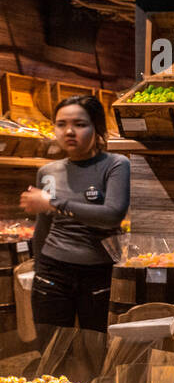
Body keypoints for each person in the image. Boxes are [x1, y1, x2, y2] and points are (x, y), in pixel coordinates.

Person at [19, 95, 130, 345]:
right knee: (51, 349)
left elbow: (112, 214)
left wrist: (54, 204)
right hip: (52, 272)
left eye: (80, 124)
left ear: (97, 127)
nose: (69, 131)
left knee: (97, 350)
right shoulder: (47, 172)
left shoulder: (115, 165)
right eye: (61, 124)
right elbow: (44, 226)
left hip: (99, 273)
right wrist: (39, 269)